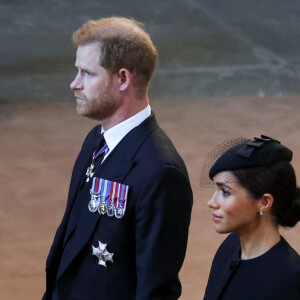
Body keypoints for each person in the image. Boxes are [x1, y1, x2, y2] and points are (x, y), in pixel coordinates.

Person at [43, 17, 193, 300]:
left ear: (123, 79)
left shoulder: (160, 172)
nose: (74, 83)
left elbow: (155, 291)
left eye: (87, 73)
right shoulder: (96, 140)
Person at [201, 135, 300, 300]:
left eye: (225, 192)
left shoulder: (290, 279)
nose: (211, 202)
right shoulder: (229, 248)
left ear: (264, 202)